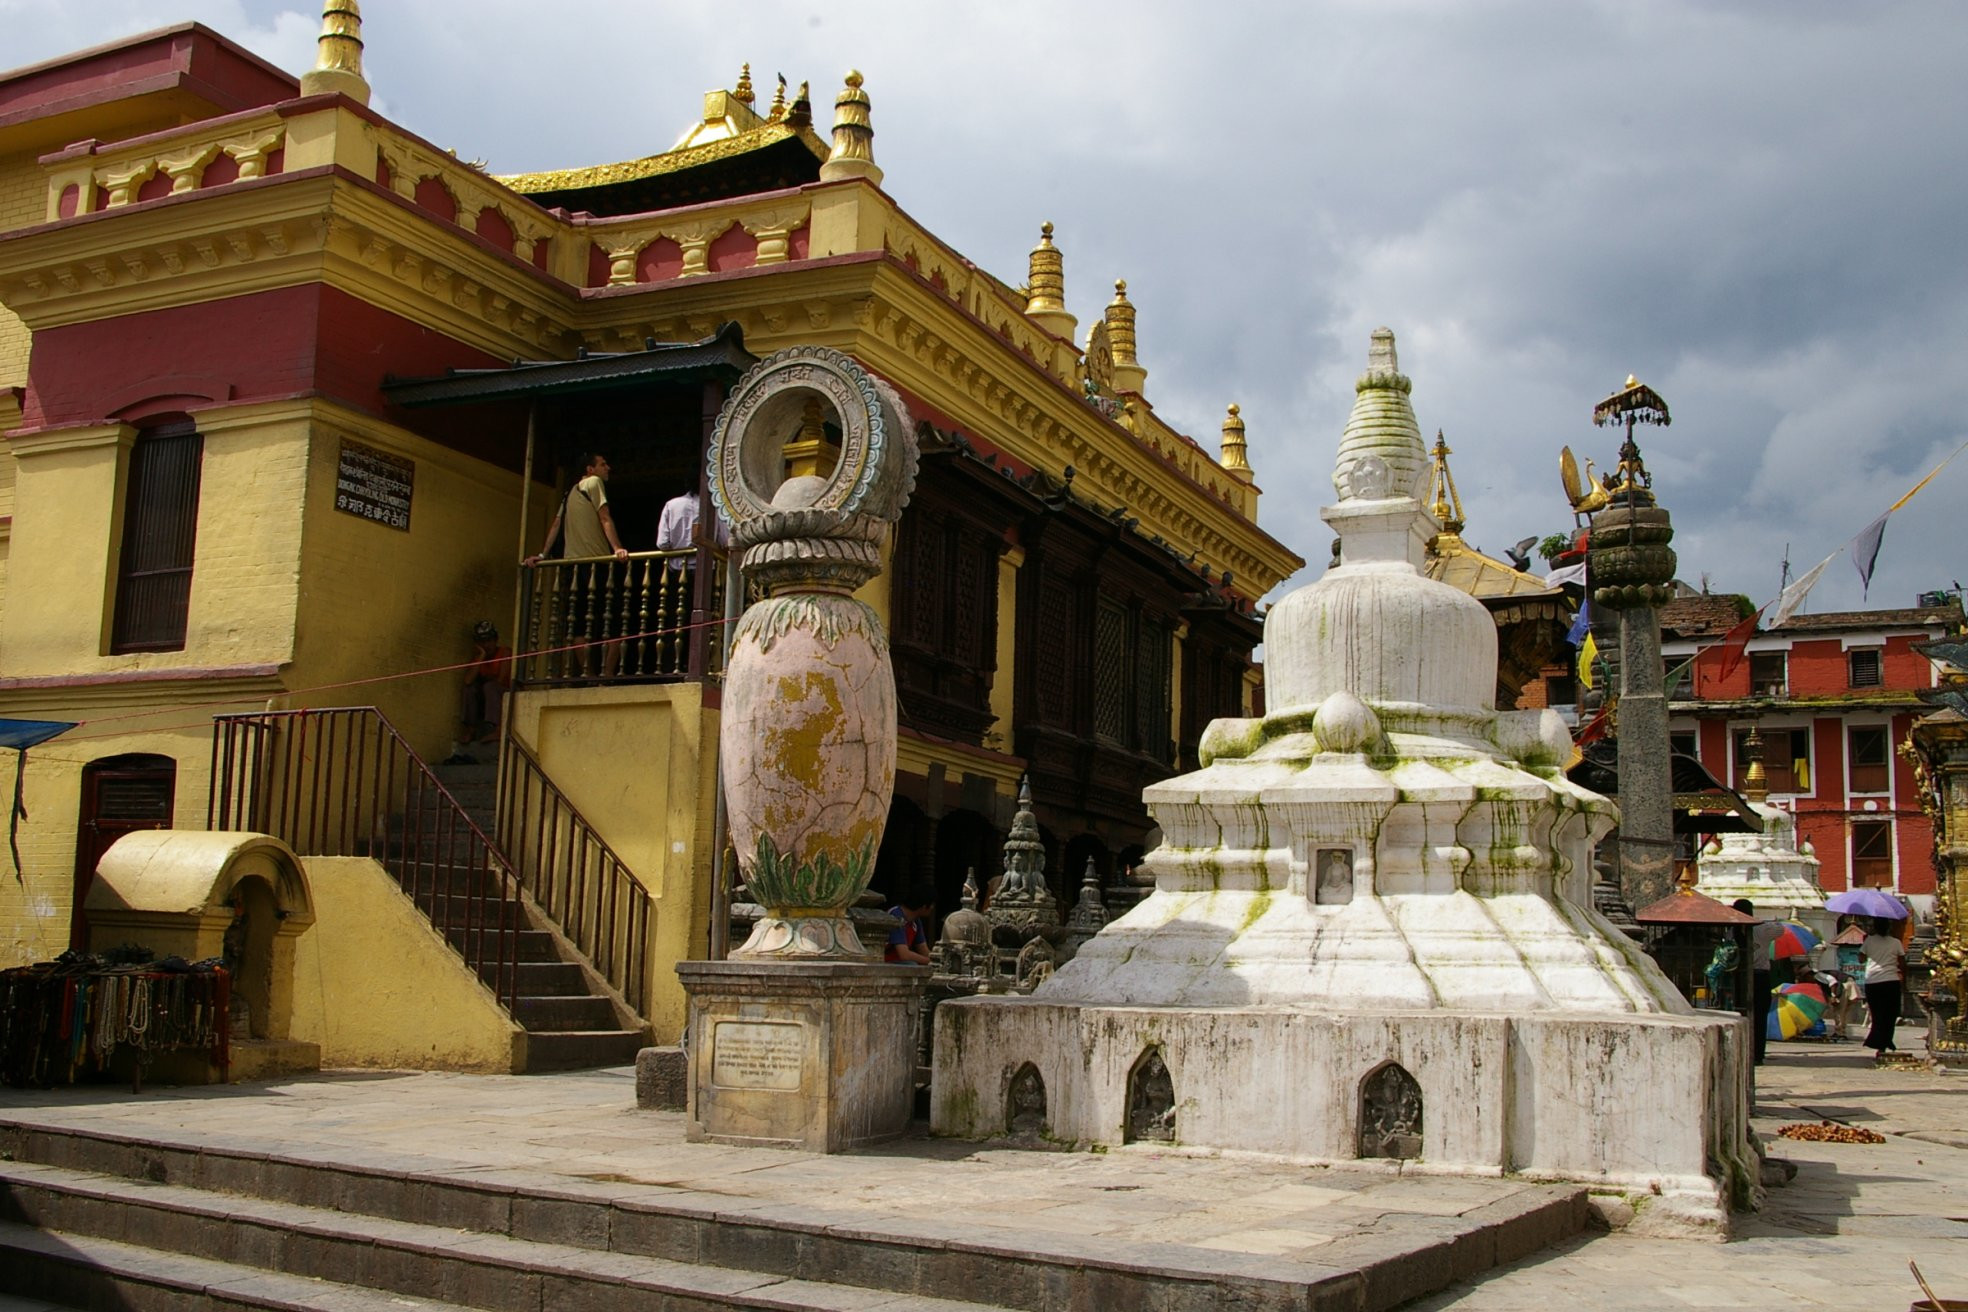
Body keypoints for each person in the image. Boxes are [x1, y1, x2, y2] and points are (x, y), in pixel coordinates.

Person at [525, 453, 630, 676]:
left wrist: (543, 554)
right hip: (597, 565)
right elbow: (605, 517)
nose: (607, 468)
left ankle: (589, 675)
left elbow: (556, 525)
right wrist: (617, 548)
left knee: (579, 625)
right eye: (603, 464)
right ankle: (607, 676)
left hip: (575, 568)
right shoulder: (593, 483)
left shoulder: (569, 492)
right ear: (589, 469)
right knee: (615, 625)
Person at [446, 620, 511, 764]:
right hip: (488, 696)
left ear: (495, 640)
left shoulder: (504, 652)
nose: (486, 645)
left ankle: (498, 729)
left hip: (505, 694)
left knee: (490, 687)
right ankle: (470, 729)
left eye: (489, 640)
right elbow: (468, 681)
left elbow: (501, 680)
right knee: (469, 689)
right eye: (482, 642)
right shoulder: (478, 658)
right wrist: (481, 657)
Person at [1736, 899, 1779, 1065]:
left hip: (1740, 976)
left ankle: (1745, 1051)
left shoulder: (1732, 930)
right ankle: (1757, 1053)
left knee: (1742, 1014)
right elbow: (1780, 929)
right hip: (1760, 976)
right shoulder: (1762, 929)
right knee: (1759, 1017)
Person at [1860, 915, 1907, 1060]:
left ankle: (1879, 1041)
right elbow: (1902, 961)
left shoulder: (1869, 940)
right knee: (1890, 1014)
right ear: (1888, 927)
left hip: (1873, 981)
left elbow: (1861, 959)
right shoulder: (1896, 942)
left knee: (1877, 1013)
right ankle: (1886, 1040)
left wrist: (1865, 944)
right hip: (1890, 980)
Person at [885, 887, 935, 965]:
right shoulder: (896, 915)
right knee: (912, 965)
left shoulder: (915, 921)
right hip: (885, 961)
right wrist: (931, 962)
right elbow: (904, 955)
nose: (933, 908)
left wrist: (937, 960)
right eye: (932, 904)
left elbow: (923, 950)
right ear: (924, 907)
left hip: (899, 962)